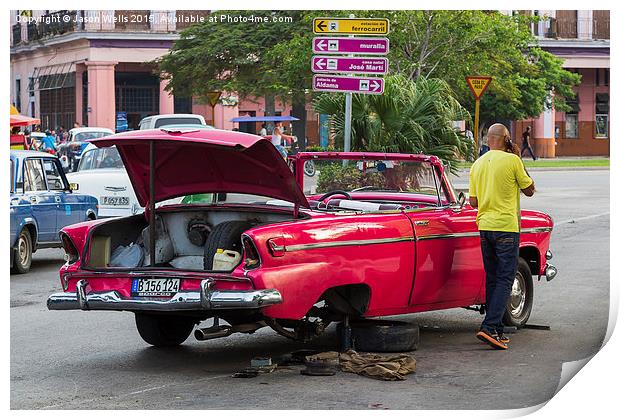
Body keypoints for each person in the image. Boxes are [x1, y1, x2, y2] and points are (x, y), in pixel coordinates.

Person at [469, 123, 535, 350]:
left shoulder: (477, 164)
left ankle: (496, 330)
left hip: (485, 227)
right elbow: (529, 189)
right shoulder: (512, 160)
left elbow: (473, 202)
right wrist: (518, 159)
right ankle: (489, 327)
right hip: (506, 227)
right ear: (506, 139)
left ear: (489, 140)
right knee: (506, 278)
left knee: (493, 278)